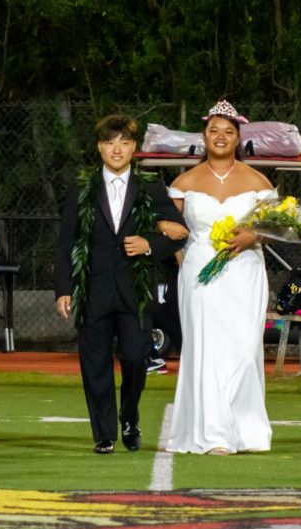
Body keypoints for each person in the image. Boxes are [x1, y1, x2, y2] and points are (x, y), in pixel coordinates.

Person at [54, 114, 187, 454]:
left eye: (124, 142)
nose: (117, 149)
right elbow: (65, 241)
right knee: (95, 364)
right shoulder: (82, 187)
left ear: (134, 148)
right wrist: (63, 289)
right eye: (110, 142)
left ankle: (130, 416)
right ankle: (104, 433)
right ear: (99, 147)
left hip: (134, 291)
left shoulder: (151, 186)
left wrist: (150, 246)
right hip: (93, 290)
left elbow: (179, 232)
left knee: (133, 356)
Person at [165, 100, 276, 456]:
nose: (220, 137)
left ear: (238, 137)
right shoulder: (184, 181)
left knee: (244, 351)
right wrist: (184, 259)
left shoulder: (258, 180)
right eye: (214, 130)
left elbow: (275, 227)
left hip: (245, 273)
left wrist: (253, 236)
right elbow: (167, 229)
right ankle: (213, 434)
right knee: (208, 351)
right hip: (201, 276)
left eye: (228, 131)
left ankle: (245, 429)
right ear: (204, 136)